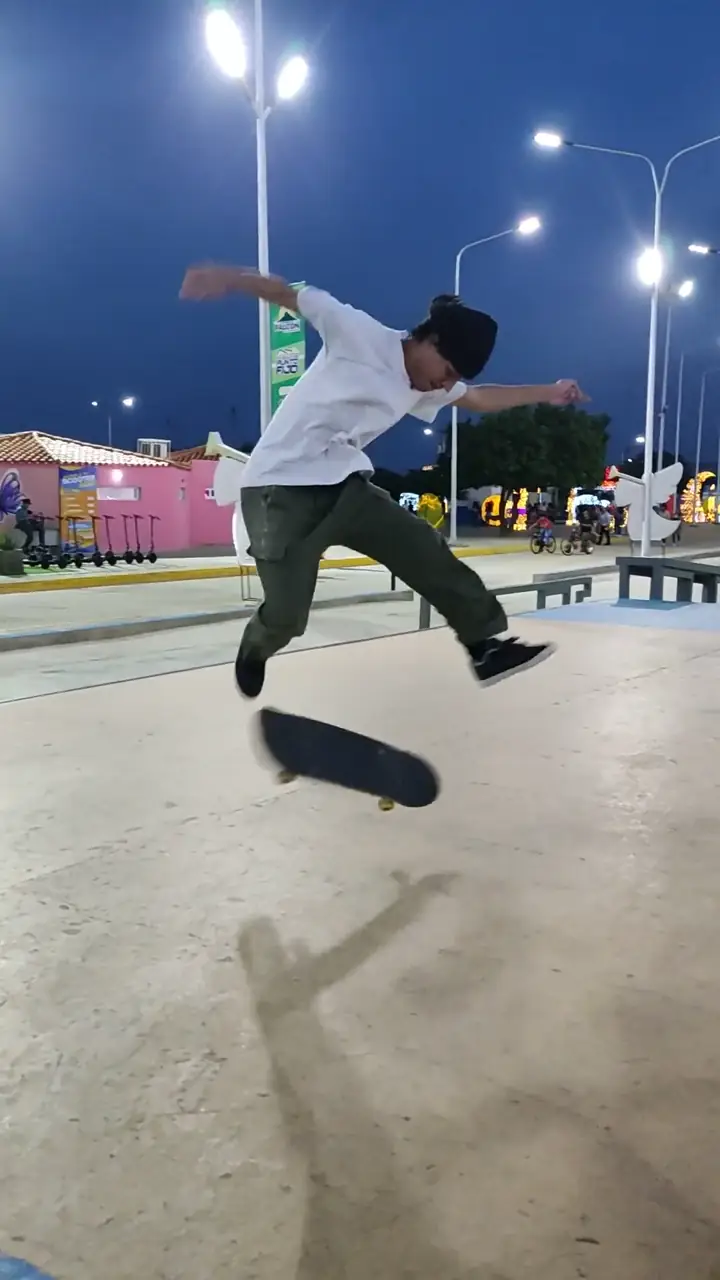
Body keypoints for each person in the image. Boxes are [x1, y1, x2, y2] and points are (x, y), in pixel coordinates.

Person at [181, 265, 588, 697]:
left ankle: (484, 646)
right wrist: (226, 278)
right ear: (428, 339)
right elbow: (287, 294)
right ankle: (256, 646)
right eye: (447, 369)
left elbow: (480, 397)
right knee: (286, 616)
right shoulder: (359, 333)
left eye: (453, 379)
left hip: (343, 486)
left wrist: (549, 391)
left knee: (424, 549)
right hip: (277, 490)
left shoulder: (426, 384)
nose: (444, 383)